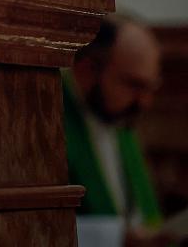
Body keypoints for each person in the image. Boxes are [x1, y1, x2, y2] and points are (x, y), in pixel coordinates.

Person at [65, 14, 168, 247]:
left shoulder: (118, 117)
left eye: (151, 87)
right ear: (86, 70)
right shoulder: (48, 120)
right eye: (134, 85)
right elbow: (35, 225)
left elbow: (140, 216)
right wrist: (112, 237)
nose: (144, 102)